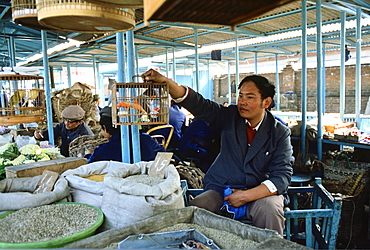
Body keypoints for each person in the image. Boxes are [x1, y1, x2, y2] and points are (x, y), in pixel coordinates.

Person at [142, 69, 294, 235]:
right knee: (195, 209)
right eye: (240, 95)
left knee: (270, 209)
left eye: (250, 97)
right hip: (222, 189)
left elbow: (281, 177)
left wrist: (246, 196)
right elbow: (200, 105)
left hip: (259, 194)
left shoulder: (279, 132)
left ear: (266, 102)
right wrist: (166, 83)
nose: (242, 102)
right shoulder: (230, 117)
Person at [86, 106, 166, 163]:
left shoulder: (103, 150)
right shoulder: (146, 139)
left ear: (105, 128)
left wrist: (89, 155)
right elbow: (163, 155)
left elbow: (90, 164)